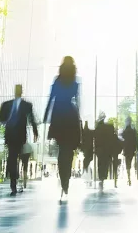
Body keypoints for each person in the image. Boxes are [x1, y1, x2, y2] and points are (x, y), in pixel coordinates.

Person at [43, 57, 81, 201]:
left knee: (61, 149)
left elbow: (51, 99)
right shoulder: (75, 83)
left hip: (58, 115)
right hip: (71, 116)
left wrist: (46, 115)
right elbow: (77, 102)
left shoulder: (57, 81)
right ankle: (66, 180)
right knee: (69, 149)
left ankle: (63, 177)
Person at [0, 84, 38, 196]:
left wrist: (35, 131)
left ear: (21, 91)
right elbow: (0, 117)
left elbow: (31, 119)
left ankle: (15, 182)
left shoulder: (27, 105)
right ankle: (13, 185)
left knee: (15, 159)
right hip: (10, 136)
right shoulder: (6, 104)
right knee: (12, 160)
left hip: (20, 137)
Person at [93, 112, 118, 191]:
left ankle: (101, 177)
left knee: (100, 163)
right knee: (106, 163)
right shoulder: (110, 127)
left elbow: (95, 139)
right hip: (107, 149)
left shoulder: (98, 128)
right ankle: (103, 176)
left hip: (100, 149)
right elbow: (113, 138)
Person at [122, 116, 138, 186]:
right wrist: (137, 149)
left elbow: (123, 140)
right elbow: (136, 140)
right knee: (130, 163)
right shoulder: (133, 131)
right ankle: (129, 178)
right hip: (132, 150)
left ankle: (129, 178)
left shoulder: (125, 131)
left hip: (126, 150)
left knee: (127, 164)